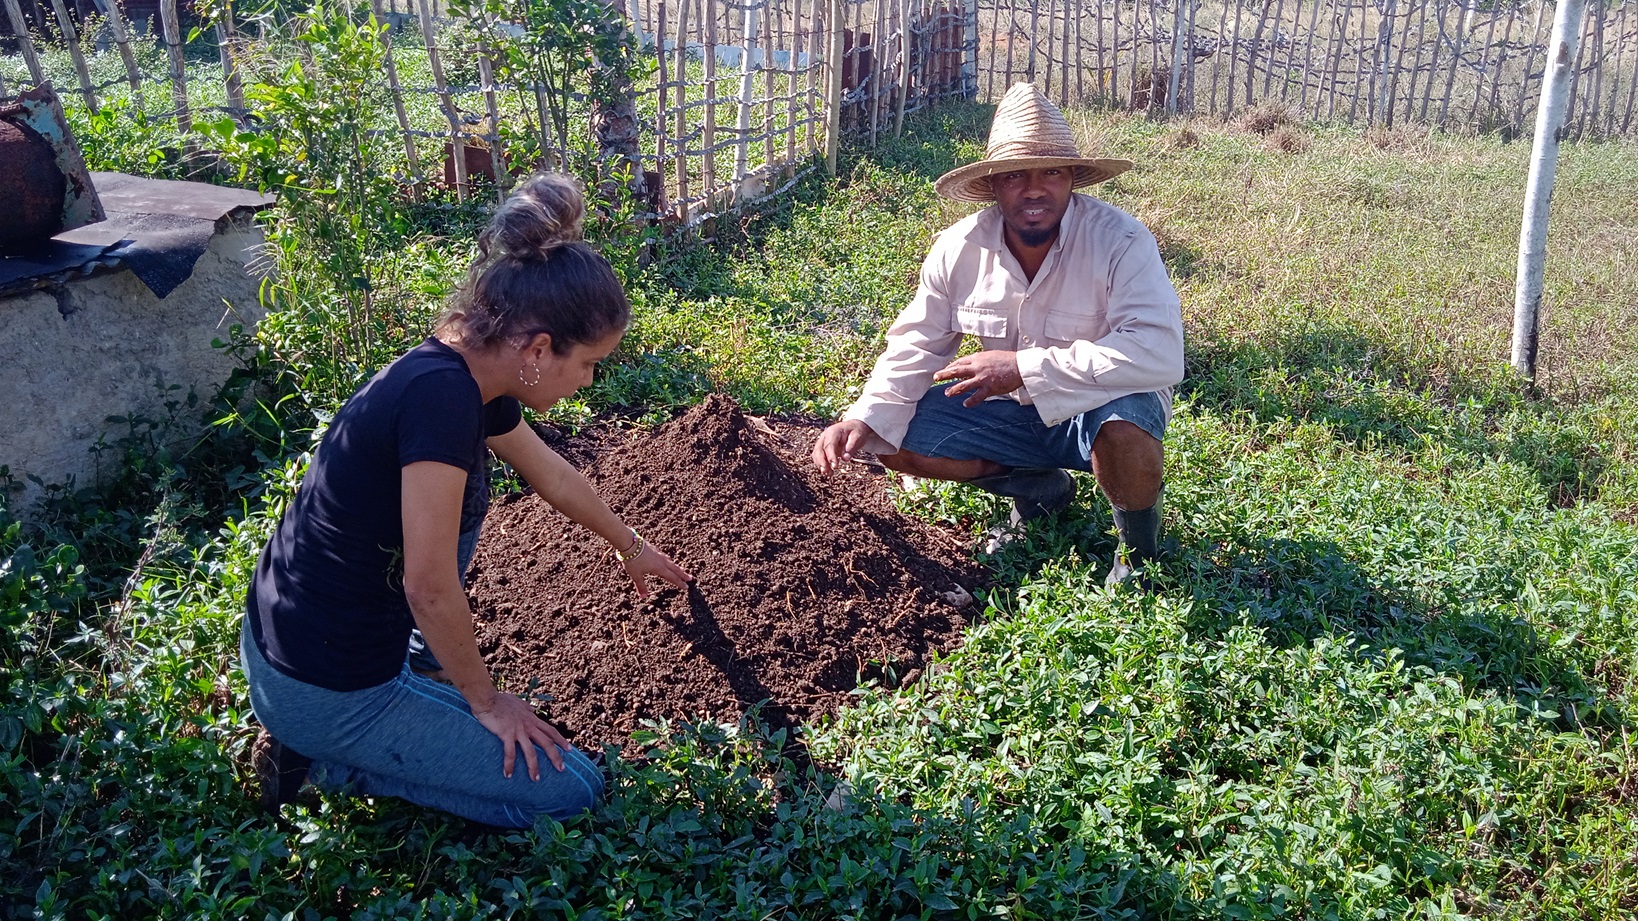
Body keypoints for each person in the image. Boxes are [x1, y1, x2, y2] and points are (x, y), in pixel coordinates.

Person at [241, 173, 693, 828]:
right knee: (570, 789)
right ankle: (318, 759)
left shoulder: (467, 372)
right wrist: (488, 701)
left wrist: (632, 545)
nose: (589, 381)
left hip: (294, 638)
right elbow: (427, 586)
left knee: (562, 769)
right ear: (539, 349)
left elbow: (554, 476)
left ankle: (399, 687)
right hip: (324, 684)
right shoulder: (441, 403)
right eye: (589, 363)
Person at [811, 83, 1184, 584]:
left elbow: (1158, 352)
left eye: (1051, 171)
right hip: (1015, 415)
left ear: (1072, 178)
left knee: (1125, 429)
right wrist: (863, 415)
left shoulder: (1121, 241)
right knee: (888, 436)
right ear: (992, 186)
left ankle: (1138, 552)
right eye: (1015, 176)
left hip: (1100, 409)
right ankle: (1037, 489)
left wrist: (1021, 368)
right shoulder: (958, 247)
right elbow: (918, 340)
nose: (1034, 188)